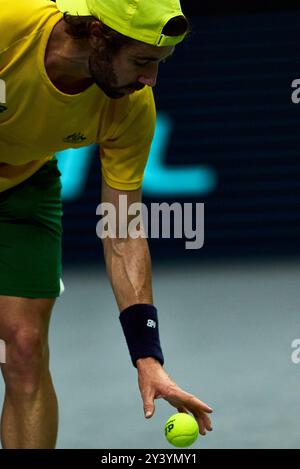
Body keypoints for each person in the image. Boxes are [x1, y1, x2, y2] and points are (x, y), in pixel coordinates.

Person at [0, 0, 213, 448]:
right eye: (142, 61)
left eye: (158, 65)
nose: (149, 79)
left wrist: (147, 356)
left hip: (22, 188)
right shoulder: (9, 26)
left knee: (23, 348)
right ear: (97, 34)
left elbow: (122, 230)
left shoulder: (132, 107)